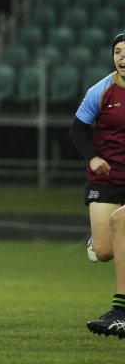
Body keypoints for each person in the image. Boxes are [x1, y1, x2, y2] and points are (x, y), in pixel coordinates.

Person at [70, 32, 125, 338]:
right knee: (104, 251)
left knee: (122, 222)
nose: (122, 57)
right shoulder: (100, 91)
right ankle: (98, 238)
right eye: (118, 52)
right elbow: (77, 131)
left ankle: (120, 311)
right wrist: (91, 157)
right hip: (106, 177)